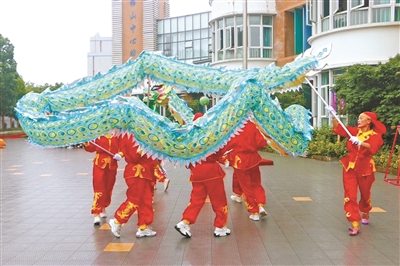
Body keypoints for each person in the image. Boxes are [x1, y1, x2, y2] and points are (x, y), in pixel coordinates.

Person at [175, 113, 230, 238]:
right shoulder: (210, 135)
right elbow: (219, 152)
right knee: (219, 200)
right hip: (212, 172)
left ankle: (185, 222)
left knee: (196, 200)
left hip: (196, 173)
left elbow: (186, 159)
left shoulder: (190, 138)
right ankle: (220, 226)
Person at [331, 110, 386, 236]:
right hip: (350, 168)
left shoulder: (375, 135)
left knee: (365, 196)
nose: (359, 120)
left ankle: (366, 210)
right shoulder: (354, 131)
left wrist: (361, 143)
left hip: (365, 169)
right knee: (350, 195)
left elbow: (374, 148)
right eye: (359, 118)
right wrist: (333, 117)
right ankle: (355, 223)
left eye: (362, 118)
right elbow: (339, 129)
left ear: (369, 121)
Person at [108, 134, 162, 238]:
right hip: (136, 173)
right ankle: (118, 220)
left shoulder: (142, 135)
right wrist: (143, 148)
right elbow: (133, 156)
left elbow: (150, 158)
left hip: (145, 173)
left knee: (146, 199)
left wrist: (157, 167)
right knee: (135, 199)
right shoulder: (130, 136)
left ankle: (144, 226)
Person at [223, 119, 268, 221]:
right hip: (253, 159)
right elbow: (261, 143)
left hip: (239, 160)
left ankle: (254, 211)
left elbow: (227, 145)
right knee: (256, 183)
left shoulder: (233, 128)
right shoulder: (252, 125)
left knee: (246, 186)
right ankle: (260, 204)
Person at [84, 134, 122, 225]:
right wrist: (86, 143)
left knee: (108, 188)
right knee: (99, 188)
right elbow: (91, 148)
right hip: (99, 165)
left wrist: (120, 154)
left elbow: (123, 147)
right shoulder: (98, 135)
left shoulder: (117, 136)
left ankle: (103, 207)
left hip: (112, 165)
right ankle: (96, 213)